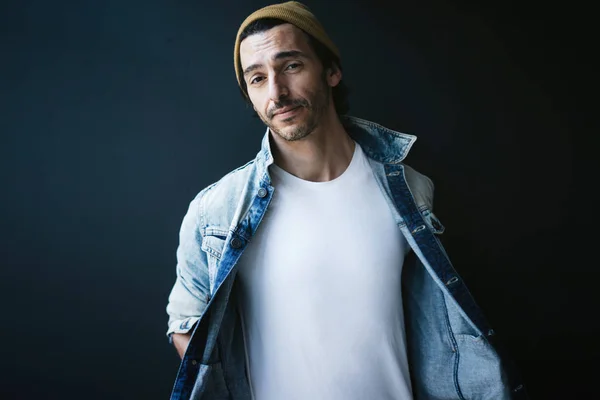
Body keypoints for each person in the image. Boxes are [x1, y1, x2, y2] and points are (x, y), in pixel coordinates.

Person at [165, 2, 528, 399]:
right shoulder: (217, 211)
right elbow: (185, 325)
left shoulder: (408, 189)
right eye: (256, 78)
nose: (277, 92)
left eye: (291, 66)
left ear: (332, 71)